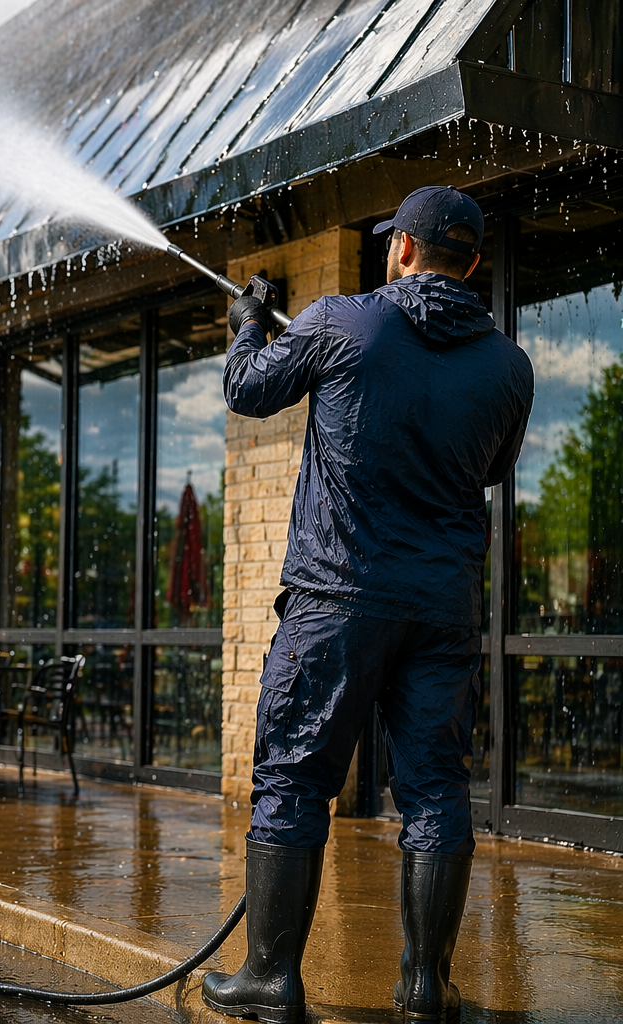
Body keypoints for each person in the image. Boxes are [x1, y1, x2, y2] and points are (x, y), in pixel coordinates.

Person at [202, 187, 534, 1024]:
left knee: (293, 777)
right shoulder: (510, 366)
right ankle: (425, 986)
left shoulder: (338, 322)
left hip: (337, 601)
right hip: (442, 608)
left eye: (394, 242)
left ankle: (272, 979)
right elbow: (489, 469)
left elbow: (246, 388)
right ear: (474, 265)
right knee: (435, 791)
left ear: (404, 250)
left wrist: (248, 317)